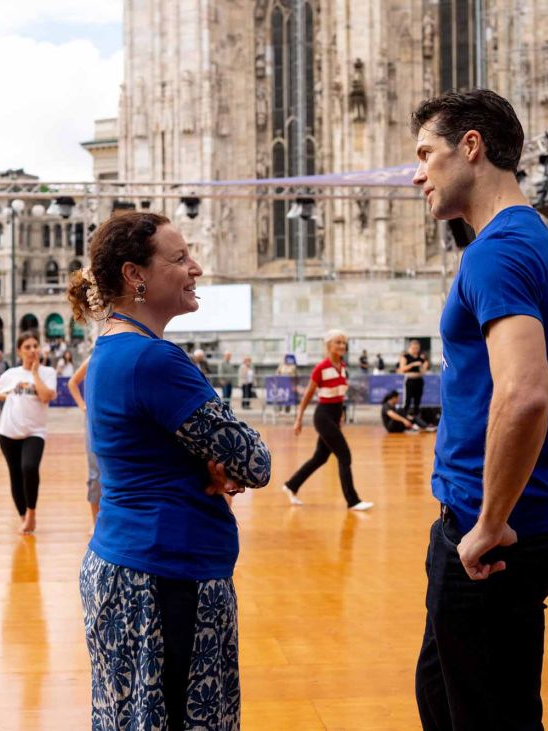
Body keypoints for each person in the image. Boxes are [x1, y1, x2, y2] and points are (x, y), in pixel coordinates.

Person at [410, 88, 548, 730]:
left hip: (491, 536)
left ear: (471, 147)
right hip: (515, 520)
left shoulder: (494, 253)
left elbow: (525, 393)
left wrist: (493, 517)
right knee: (445, 695)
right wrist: (540, 469)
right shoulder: (541, 246)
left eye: (426, 154)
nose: (417, 173)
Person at [67, 211, 271, 730]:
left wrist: (205, 457)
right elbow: (255, 461)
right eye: (179, 258)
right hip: (166, 580)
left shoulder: (111, 348)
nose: (195, 268)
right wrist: (216, 458)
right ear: (135, 274)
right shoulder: (154, 360)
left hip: (127, 566)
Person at [282, 329, 373, 511]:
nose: (342, 345)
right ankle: (353, 501)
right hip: (323, 417)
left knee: (320, 457)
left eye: (343, 342)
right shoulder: (321, 368)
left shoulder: (342, 367)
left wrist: (341, 415)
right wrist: (299, 418)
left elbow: (339, 396)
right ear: (328, 345)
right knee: (344, 455)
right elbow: (308, 395)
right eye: (338, 342)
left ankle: (291, 485)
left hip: (334, 416)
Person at [0, 332, 58, 535]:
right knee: (15, 475)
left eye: (35, 345)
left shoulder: (47, 372)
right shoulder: (12, 374)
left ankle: (31, 512)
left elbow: (46, 397)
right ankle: (23, 518)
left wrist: (35, 373)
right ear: (19, 351)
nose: (32, 350)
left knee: (29, 467)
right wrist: (8, 395)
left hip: (34, 432)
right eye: (27, 347)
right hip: (8, 432)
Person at [67, 356, 102, 526]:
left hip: (116, 417)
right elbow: (72, 382)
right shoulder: (93, 358)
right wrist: (83, 406)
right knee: (95, 473)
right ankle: (96, 523)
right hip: (94, 419)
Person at [398, 339, 429, 419]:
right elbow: (402, 369)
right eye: (413, 348)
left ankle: (416, 419)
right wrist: (412, 364)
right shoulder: (405, 357)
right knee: (407, 401)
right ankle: (404, 418)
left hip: (419, 380)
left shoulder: (421, 358)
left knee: (417, 402)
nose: (415, 350)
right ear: (410, 348)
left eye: (417, 348)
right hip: (410, 380)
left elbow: (424, 371)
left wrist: (423, 365)